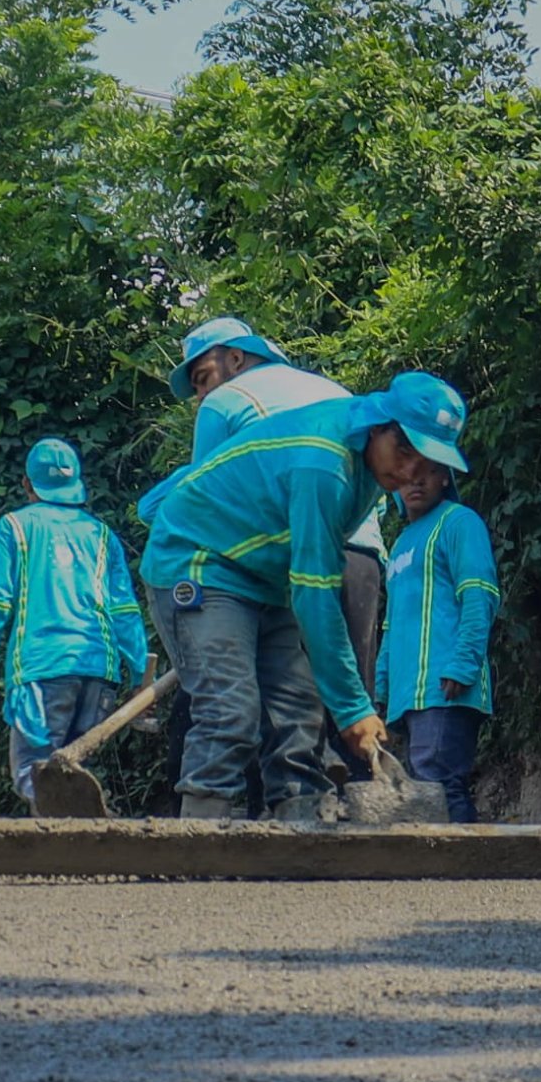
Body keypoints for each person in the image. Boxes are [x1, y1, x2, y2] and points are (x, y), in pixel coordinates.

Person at [137, 321, 458, 817]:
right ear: (378, 426)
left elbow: (316, 579)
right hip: (199, 563)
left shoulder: (370, 466)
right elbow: (314, 595)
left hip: (264, 575)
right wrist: (355, 709)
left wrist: (348, 704)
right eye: (407, 450)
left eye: (428, 462)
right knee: (230, 709)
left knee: (297, 711)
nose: (413, 473)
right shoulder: (324, 463)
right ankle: (196, 842)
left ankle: (301, 830)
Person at [0, 438, 150, 807]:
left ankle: (57, 854)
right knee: (75, 775)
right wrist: (142, 673)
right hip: (99, 672)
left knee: (35, 773)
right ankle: (81, 859)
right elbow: (124, 610)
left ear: (27, 485)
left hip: (42, 668)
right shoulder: (101, 535)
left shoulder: (15, 527)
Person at [374, 388, 494, 820]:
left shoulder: (460, 523)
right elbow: (391, 623)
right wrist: (382, 685)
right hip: (409, 692)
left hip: (446, 685)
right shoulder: (402, 542)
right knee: (424, 788)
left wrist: (464, 663)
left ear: (446, 476)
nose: (415, 481)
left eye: (429, 471)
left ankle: (465, 880)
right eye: (408, 474)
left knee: (440, 783)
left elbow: (479, 594)